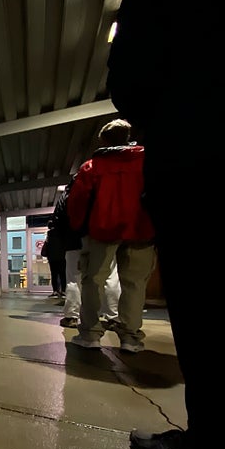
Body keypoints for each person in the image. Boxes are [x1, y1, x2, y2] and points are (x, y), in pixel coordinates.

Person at [106, 0, 225, 449]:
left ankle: (214, 443)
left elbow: (130, 76)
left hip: (193, 162)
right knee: (132, 284)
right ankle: (130, 334)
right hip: (147, 220)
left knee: (202, 302)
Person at [66, 118, 155, 353]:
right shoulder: (147, 161)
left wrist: (79, 229)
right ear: (128, 136)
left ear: (104, 140)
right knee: (134, 283)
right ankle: (130, 337)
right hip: (141, 230)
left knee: (93, 280)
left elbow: (78, 202)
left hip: (102, 230)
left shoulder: (92, 167)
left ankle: (91, 334)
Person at [52, 173, 121, 329]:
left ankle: (72, 316)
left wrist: (63, 241)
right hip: (104, 239)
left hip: (74, 242)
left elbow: (58, 219)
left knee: (74, 279)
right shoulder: (106, 189)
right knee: (110, 277)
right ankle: (113, 317)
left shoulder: (68, 194)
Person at [40, 219, 66, 297]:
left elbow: (47, 246)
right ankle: (63, 291)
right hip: (61, 257)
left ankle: (55, 291)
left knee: (54, 275)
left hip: (52, 258)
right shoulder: (62, 234)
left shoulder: (49, 235)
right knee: (62, 274)